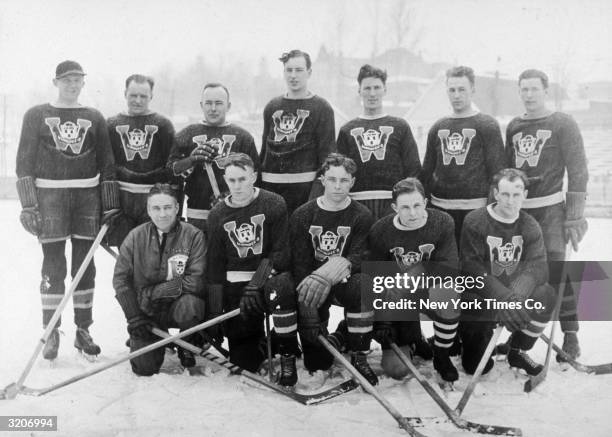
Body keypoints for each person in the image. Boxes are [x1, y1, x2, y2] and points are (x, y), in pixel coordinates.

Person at [16, 60, 119, 360]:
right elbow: (24, 161)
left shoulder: (94, 116)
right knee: (53, 265)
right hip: (50, 198)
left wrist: (110, 204)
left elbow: (107, 163)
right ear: (56, 82)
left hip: (87, 196)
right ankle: (51, 332)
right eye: (67, 80)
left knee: (84, 265)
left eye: (78, 80)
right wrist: (28, 204)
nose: (72, 85)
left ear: (83, 84)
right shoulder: (36, 115)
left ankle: (83, 330)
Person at [506, 69, 588, 361]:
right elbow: (507, 173)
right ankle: (518, 338)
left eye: (534, 89)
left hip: (552, 210)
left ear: (545, 90)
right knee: (519, 275)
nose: (529, 95)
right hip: (520, 212)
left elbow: (578, 170)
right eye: (523, 90)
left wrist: (575, 216)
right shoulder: (514, 126)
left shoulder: (562, 123)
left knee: (556, 275)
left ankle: (571, 336)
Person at [205, 153, 299, 386]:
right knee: (245, 361)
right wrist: (216, 312)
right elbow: (215, 265)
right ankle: (262, 341)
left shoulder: (273, 202)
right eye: (232, 180)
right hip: (235, 286)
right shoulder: (217, 214)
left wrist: (256, 284)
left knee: (283, 287)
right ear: (225, 179)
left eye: (243, 179)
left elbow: (281, 254)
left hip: (269, 278)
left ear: (254, 176)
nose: (237, 186)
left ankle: (286, 353)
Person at [290, 153, 378, 385]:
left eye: (344, 180)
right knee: (317, 362)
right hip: (313, 283)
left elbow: (359, 256)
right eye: (332, 179)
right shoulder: (303, 214)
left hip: (344, 282)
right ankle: (338, 336)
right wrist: (310, 291)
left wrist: (334, 269)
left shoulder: (362, 214)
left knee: (363, 286)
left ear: (352, 182)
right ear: (322, 180)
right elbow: (299, 262)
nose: (338, 186)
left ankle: (359, 354)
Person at [460, 169, 556, 376]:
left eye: (516, 194)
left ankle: (517, 349)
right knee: (477, 367)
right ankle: (468, 341)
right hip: (483, 295)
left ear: (525, 196)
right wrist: (503, 298)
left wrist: (517, 294)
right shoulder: (475, 221)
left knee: (545, 295)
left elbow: (538, 267)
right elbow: (471, 269)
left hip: (514, 297)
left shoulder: (530, 225)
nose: (510, 201)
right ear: (495, 194)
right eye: (505, 194)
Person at [368, 178, 461, 382]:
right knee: (396, 369)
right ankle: (413, 338)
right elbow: (377, 279)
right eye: (405, 207)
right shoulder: (380, 230)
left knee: (448, 294)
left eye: (417, 205)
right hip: (398, 298)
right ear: (394, 208)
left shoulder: (442, 222)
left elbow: (448, 269)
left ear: (425, 203)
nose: (412, 213)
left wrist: (413, 275)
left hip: (428, 290)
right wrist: (383, 319)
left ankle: (442, 356)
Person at [113, 183, 206, 375]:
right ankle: (150, 341)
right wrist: (134, 317)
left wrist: (153, 292)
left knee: (192, 304)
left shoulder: (193, 235)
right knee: (144, 368)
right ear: (148, 209)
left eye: (167, 207)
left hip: (177, 306)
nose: (162, 214)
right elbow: (120, 280)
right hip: (147, 312)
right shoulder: (135, 237)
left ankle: (186, 343)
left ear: (177, 208)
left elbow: (195, 281)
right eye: (156, 208)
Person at [421, 66, 506, 249]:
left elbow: (498, 174)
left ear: (473, 90)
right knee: (445, 266)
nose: (456, 95)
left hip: (476, 210)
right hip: (441, 209)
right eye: (452, 90)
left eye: (462, 89)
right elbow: (427, 172)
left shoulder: (487, 125)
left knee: (473, 267)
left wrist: (491, 212)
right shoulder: (438, 127)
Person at [169, 83, 259, 234]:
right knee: (199, 257)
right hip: (197, 215)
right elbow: (170, 172)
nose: (213, 108)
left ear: (228, 106)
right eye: (208, 103)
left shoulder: (243, 137)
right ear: (201, 105)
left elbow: (256, 177)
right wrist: (191, 160)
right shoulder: (186, 134)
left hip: (235, 213)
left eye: (218, 103)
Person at [337, 64, 421, 220]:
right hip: (357, 203)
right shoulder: (347, 130)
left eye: (377, 87)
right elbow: (340, 173)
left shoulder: (400, 126)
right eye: (367, 88)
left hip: (393, 203)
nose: (372, 93)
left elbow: (413, 168)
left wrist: (403, 200)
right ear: (359, 91)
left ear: (385, 90)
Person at [260, 49, 336, 215]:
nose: (293, 75)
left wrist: (316, 196)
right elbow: (264, 152)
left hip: (304, 190)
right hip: (271, 189)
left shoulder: (322, 108)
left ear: (309, 72)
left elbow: (327, 158)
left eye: (299, 70)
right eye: (289, 70)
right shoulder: (272, 107)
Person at [106, 74, 175, 247]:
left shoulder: (163, 125)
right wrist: (108, 204)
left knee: (152, 251)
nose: (138, 100)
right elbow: (106, 165)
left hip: (153, 199)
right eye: (133, 95)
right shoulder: (111, 124)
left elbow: (171, 167)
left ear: (151, 96)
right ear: (125, 94)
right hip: (122, 200)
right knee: (126, 253)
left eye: (143, 96)